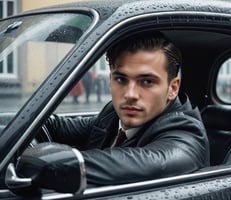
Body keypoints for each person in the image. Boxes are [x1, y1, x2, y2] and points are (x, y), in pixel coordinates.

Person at [18, 31, 209, 188]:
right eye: (121, 79)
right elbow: (53, 125)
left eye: (147, 81)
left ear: (172, 88)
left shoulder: (186, 138)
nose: (130, 94)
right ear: (110, 80)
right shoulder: (113, 114)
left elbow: (155, 162)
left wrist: (39, 162)